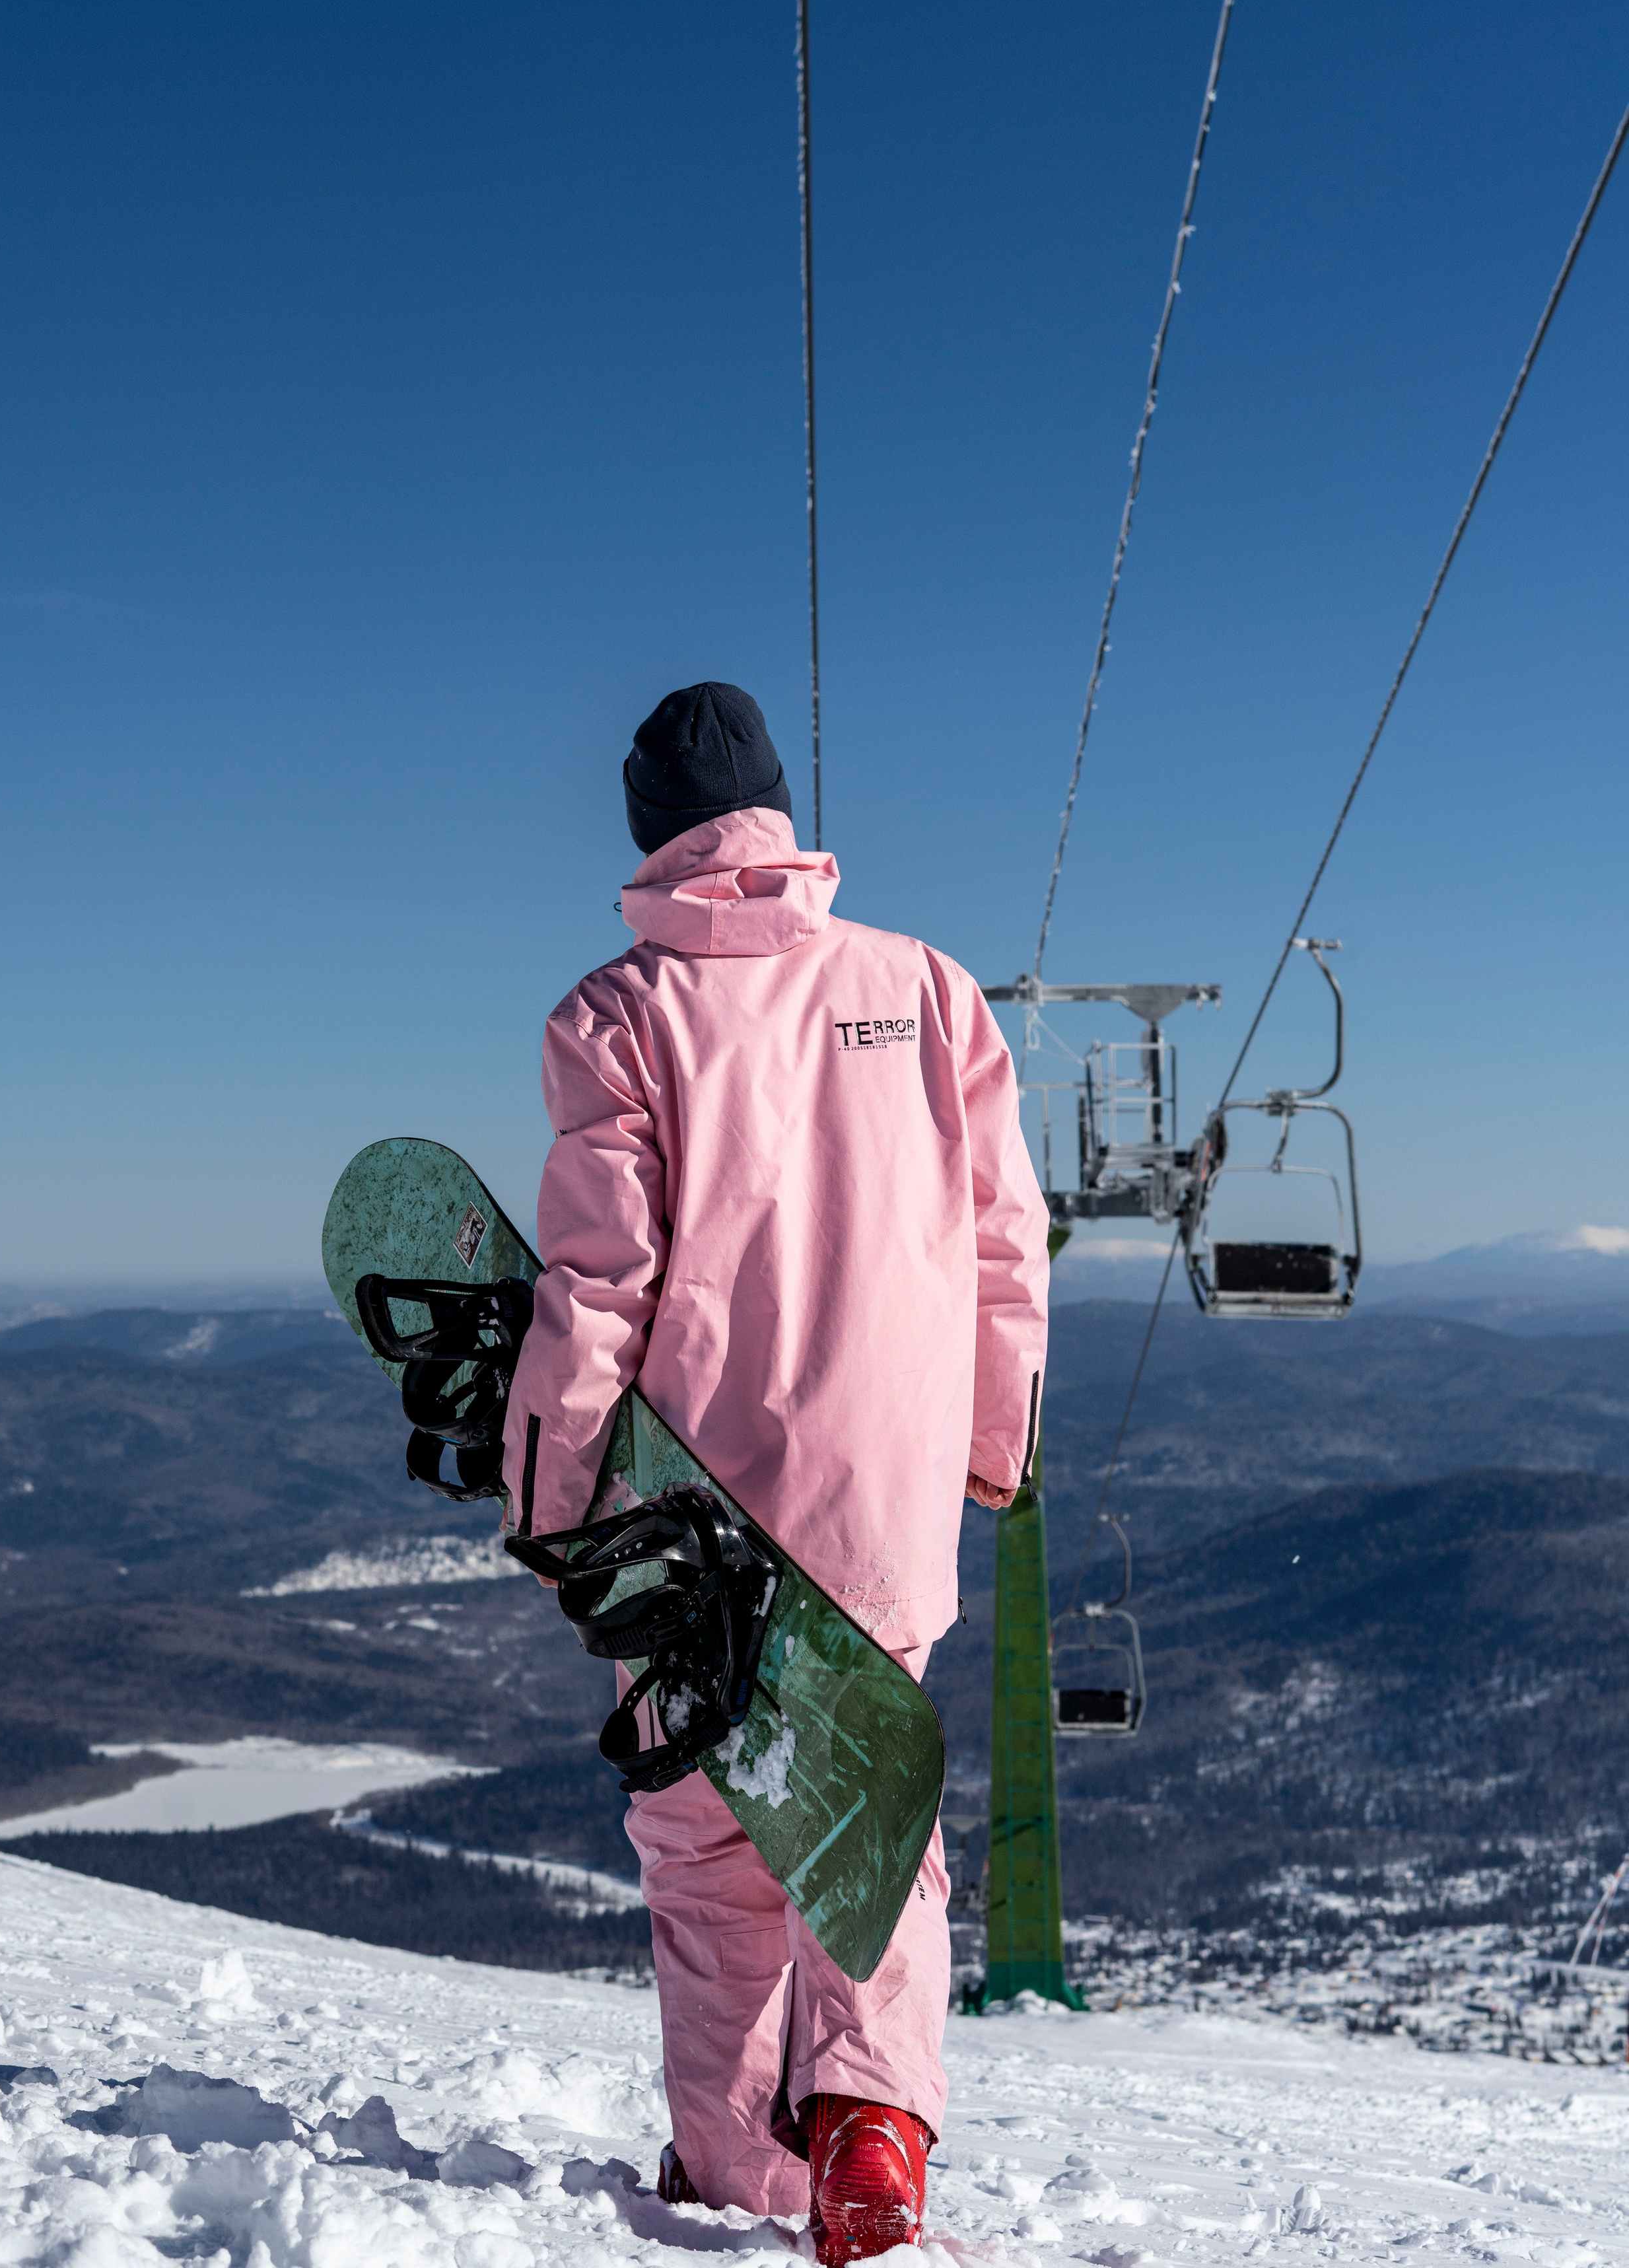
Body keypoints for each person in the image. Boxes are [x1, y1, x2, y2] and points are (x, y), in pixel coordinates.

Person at [503, 681, 1049, 2261]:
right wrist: (989, 1445)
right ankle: (871, 2131)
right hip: (881, 1506)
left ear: (646, 833)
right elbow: (1005, 1245)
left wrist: (553, 1498)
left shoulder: (614, 1018)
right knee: (868, 1803)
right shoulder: (925, 988)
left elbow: (599, 1285)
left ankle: (739, 2169)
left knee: (706, 1844)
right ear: (776, 814)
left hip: (691, 1517)